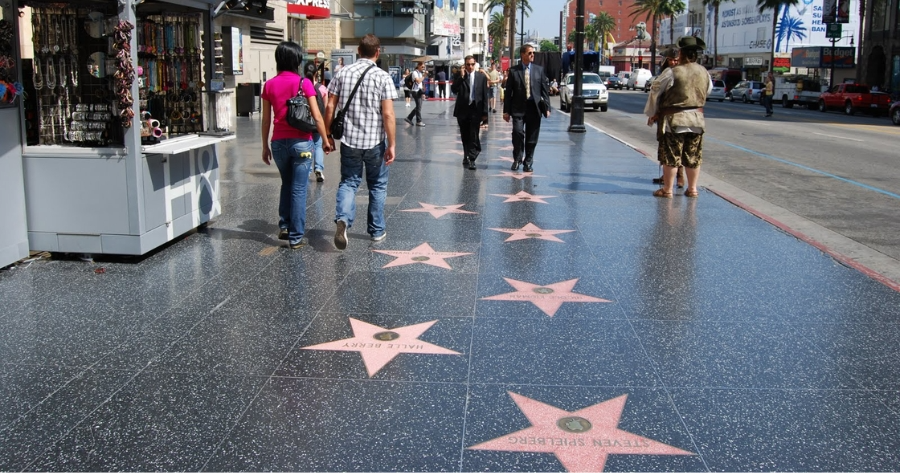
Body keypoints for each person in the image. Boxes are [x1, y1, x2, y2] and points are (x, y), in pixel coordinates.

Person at [324, 33, 397, 249]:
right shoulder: (383, 77)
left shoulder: (342, 73)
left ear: (358, 51)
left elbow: (330, 106)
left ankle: (343, 219)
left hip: (349, 141)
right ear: (378, 52)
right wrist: (392, 144)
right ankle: (376, 230)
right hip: (375, 141)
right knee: (377, 185)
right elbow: (388, 114)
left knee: (349, 182)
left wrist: (327, 134)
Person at [260, 41, 333, 249]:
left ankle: (284, 225)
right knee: (299, 189)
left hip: (278, 143)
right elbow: (317, 116)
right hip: (302, 143)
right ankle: (296, 236)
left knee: (286, 183)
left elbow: (266, 120)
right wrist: (325, 140)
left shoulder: (269, 85)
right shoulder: (304, 83)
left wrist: (264, 146)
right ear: (296, 61)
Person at [644, 36, 712, 198]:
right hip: (697, 119)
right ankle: (692, 189)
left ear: (681, 53)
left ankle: (667, 190)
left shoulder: (672, 72)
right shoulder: (704, 72)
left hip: (675, 119)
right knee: (693, 155)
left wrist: (653, 112)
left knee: (671, 155)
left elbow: (656, 91)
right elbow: (708, 90)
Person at [503, 43, 551, 173]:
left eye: (533, 53)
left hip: (534, 108)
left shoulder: (539, 70)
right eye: (530, 53)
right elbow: (508, 92)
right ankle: (517, 159)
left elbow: (544, 91)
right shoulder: (514, 71)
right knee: (517, 133)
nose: (532, 55)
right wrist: (506, 111)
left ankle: (528, 162)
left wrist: (547, 108)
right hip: (518, 108)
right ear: (522, 54)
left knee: (532, 137)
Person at [648, 47, 685, 189]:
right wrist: (654, 112)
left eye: (676, 60)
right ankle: (666, 175)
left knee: (678, 146)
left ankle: (680, 176)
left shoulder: (681, 73)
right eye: (670, 60)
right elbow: (656, 92)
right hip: (665, 112)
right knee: (664, 145)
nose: (673, 62)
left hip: (678, 113)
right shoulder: (666, 72)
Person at [451, 55, 490, 171]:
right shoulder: (460, 76)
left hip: (475, 109)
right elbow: (454, 89)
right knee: (465, 134)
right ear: (465, 65)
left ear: (475, 64)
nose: (470, 67)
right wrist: (462, 77)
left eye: (472, 64)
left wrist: (485, 114)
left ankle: (472, 159)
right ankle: (466, 154)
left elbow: (484, 95)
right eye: (468, 65)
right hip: (462, 110)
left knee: (473, 134)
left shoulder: (481, 77)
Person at [304, 62, 327, 182]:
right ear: (316, 74)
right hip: (318, 123)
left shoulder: (301, 87)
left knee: (307, 145)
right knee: (318, 145)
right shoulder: (322, 89)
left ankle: (307, 171)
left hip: (304, 122)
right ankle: (318, 169)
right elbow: (326, 108)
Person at [404, 61, 426, 127]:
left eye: (424, 67)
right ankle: (418, 121)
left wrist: (423, 92)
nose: (423, 68)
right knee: (419, 106)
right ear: (418, 66)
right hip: (415, 91)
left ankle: (409, 118)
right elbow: (418, 81)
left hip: (419, 91)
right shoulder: (415, 73)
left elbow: (420, 83)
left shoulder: (420, 73)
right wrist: (424, 75)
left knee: (418, 106)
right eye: (422, 66)